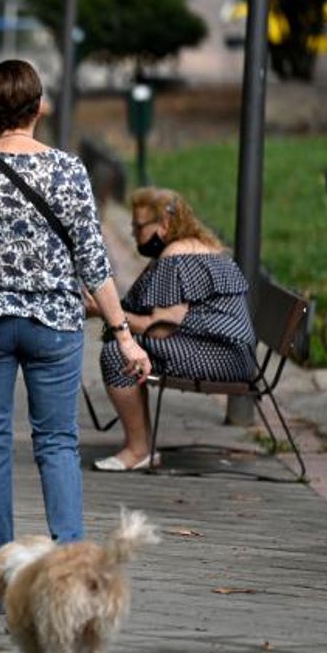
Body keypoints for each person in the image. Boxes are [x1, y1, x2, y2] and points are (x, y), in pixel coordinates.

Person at [0, 59, 151, 613]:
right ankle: (71, 580)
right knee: (57, 444)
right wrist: (123, 334)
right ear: (38, 109)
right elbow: (94, 264)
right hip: (54, 325)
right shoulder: (69, 170)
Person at [85, 187, 256, 472]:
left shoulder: (176, 256)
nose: (134, 234)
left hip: (219, 356)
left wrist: (106, 312)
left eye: (139, 226)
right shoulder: (199, 247)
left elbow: (160, 328)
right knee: (129, 348)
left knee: (119, 354)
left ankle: (138, 450)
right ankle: (141, 445)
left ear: (164, 224)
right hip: (233, 354)